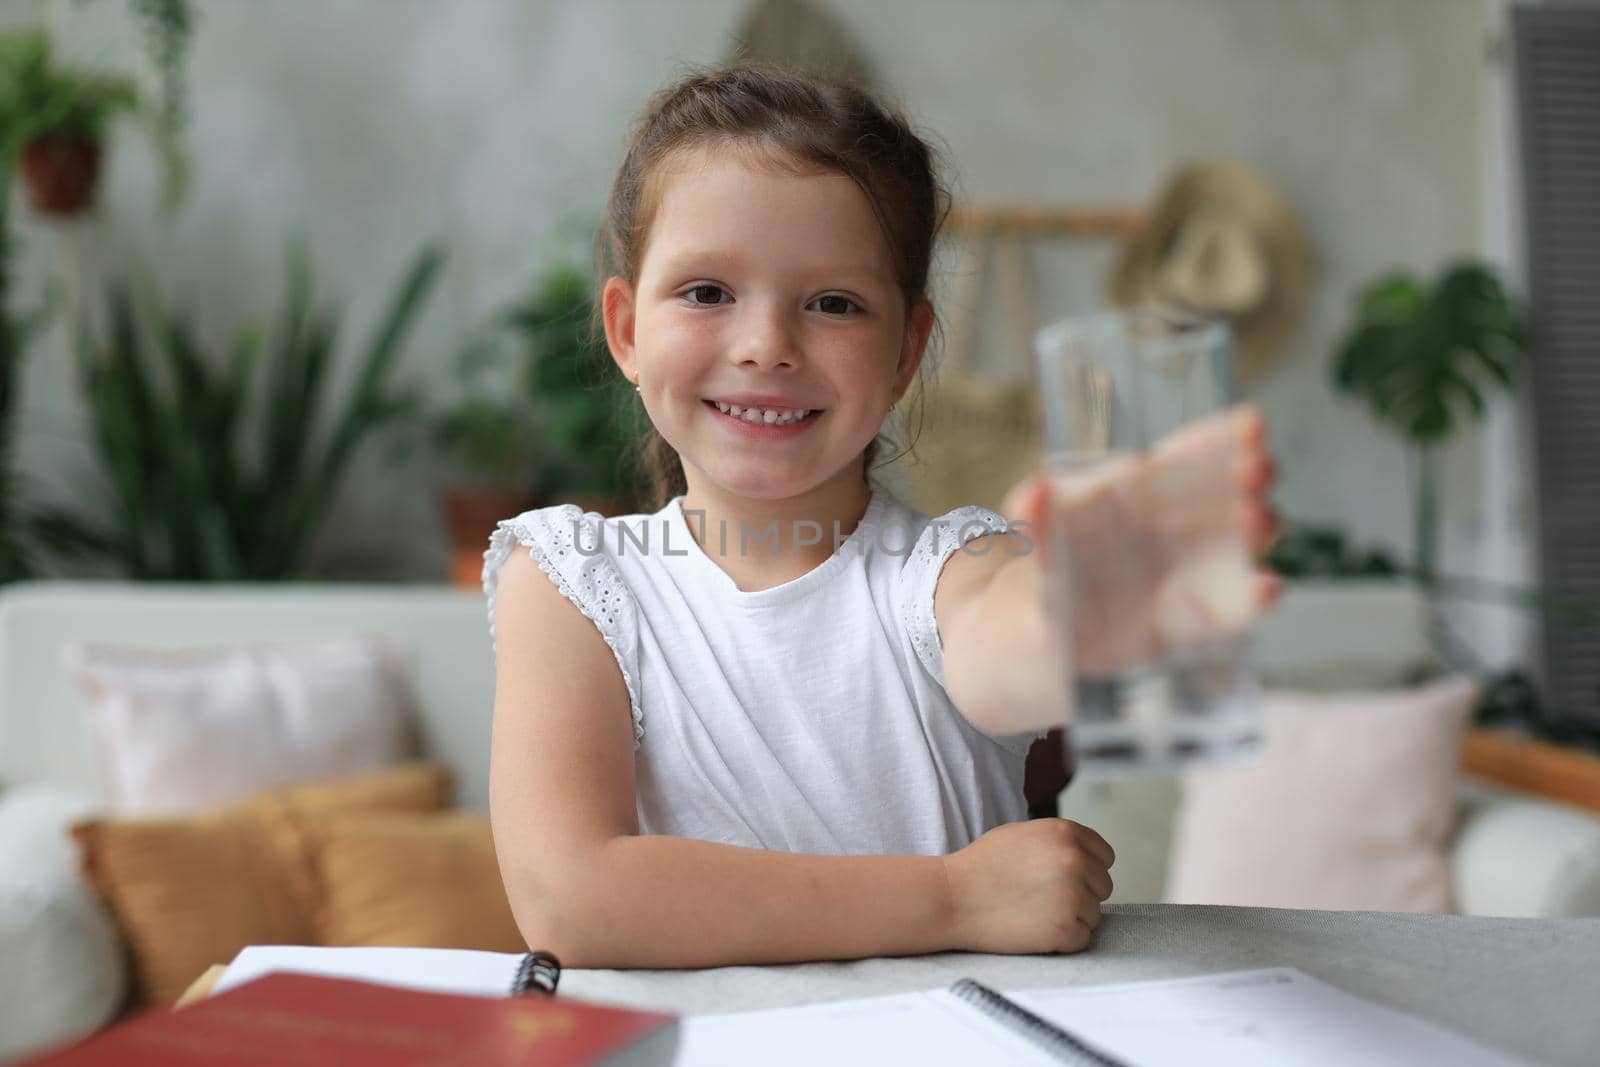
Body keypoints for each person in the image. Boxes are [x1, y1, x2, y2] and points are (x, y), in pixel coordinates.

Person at [485, 65, 1279, 969]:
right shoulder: (571, 581)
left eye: (833, 304)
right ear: (627, 330)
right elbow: (574, 899)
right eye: (707, 291)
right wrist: (954, 899)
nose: (766, 346)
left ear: (905, 352)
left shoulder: (948, 570)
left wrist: (1094, 598)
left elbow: (1013, 640)